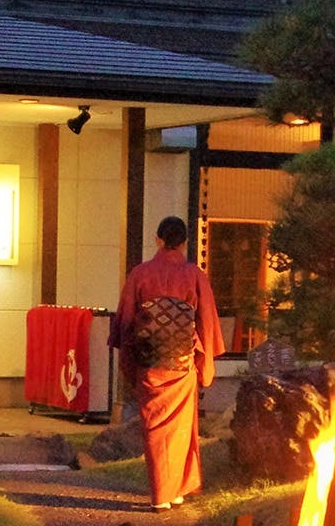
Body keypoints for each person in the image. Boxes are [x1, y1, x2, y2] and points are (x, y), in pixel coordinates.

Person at [109, 216, 225, 512]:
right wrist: (206, 364)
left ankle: (162, 492)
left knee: (155, 431)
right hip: (182, 363)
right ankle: (173, 491)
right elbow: (207, 321)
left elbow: (125, 323)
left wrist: (130, 363)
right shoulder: (194, 275)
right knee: (181, 429)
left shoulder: (140, 274)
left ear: (157, 239)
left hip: (150, 364)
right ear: (185, 242)